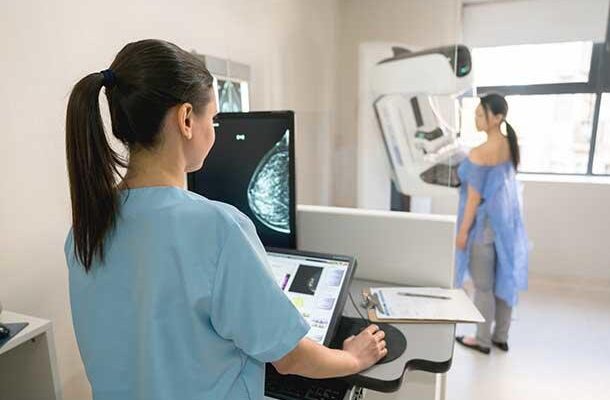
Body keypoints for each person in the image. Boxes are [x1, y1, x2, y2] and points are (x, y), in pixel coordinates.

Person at [64, 39, 386, 400]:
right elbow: (290, 357)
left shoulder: (85, 231)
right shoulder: (217, 228)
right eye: (213, 119)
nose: (214, 130)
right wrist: (352, 358)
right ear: (187, 119)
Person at [454, 93, 529, 354]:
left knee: (483, 286)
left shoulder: (479, 152)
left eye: (480, 114)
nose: (475, 118)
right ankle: (500, 336)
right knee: (504, 278)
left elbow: (473, 200)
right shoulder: (511, 144)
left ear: (497, 118)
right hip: (506, 224)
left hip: (482, 227)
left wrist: (462, 232)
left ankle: (482, 340)